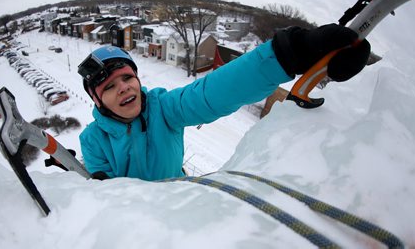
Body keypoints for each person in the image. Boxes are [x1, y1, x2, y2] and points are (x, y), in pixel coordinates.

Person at [77, 24, 371, 181]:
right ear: (97, 99)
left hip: (180, 202)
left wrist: (289, 54)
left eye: (127, 78)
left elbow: (211, 93)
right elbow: (112, 199)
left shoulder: (163, 109)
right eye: (109, 86)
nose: (123, 89)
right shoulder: (92, 141)